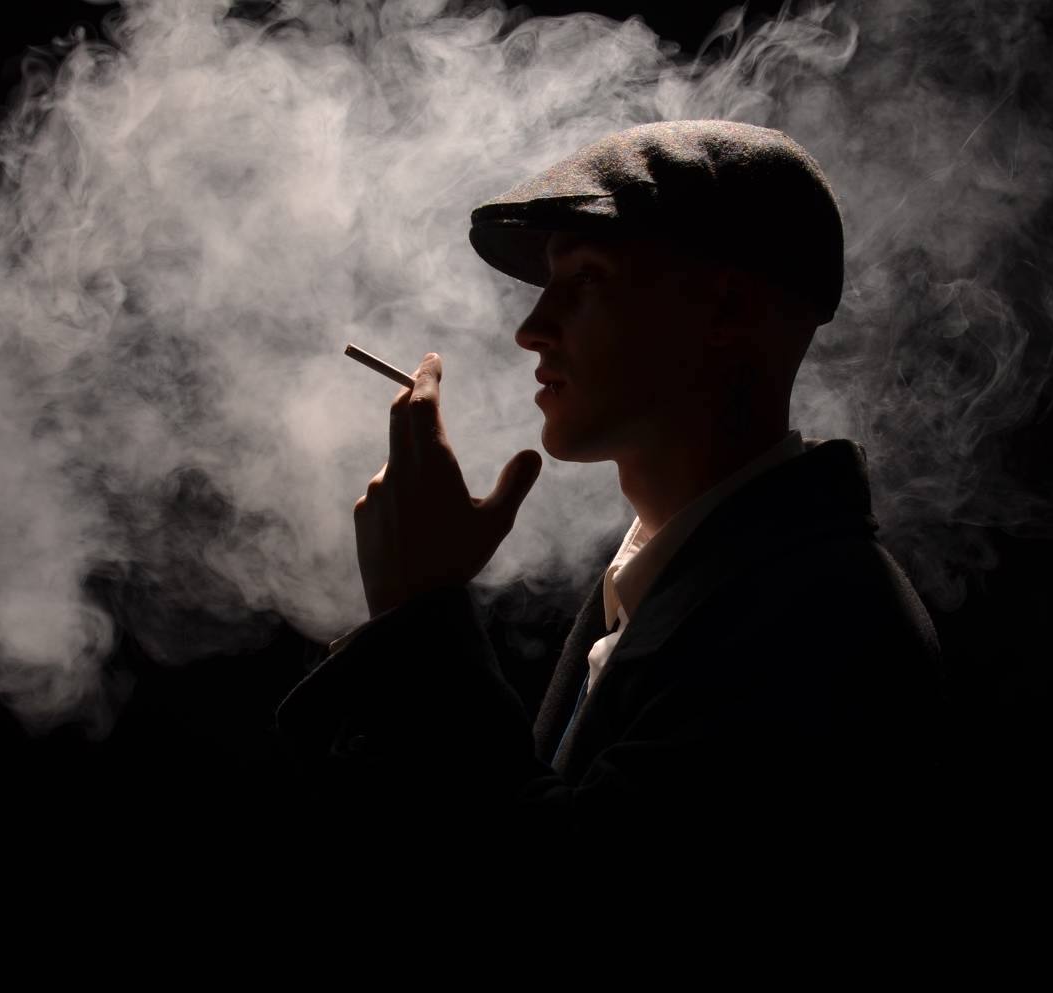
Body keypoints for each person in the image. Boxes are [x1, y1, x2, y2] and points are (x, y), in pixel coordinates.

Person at [274, 121, 942, 887]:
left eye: (586, 278)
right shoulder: (665, 587)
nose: (531, 329)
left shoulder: (821, 622)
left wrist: (416, 614)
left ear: (725, 309)